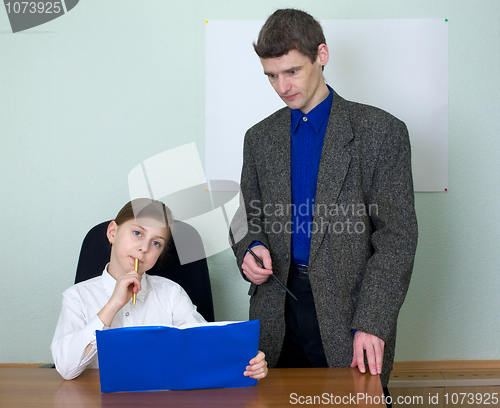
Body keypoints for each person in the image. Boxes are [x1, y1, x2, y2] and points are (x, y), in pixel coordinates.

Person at [230, 8, 418, 392]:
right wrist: (250, 248)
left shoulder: (382, 132)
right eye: (271, 75)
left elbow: (397, 239)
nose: (282, 87)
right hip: (275, 310)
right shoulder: (259, 137)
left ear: (322, 55)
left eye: (293, 71)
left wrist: (373, 320)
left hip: (350, 312)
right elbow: (246, 218)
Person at [51, 198, 268, 381]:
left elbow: (205, 346)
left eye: (156, 243)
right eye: (137, 233)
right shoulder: (76, 297)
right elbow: (66, 368)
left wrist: (247, 361)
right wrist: (113, 305)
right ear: (112, 232)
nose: (144, 247)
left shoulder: (171, 294)